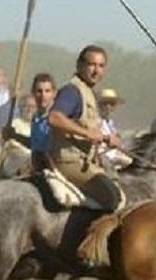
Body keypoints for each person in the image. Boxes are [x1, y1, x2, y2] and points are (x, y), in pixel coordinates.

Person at [45, 45, 123, 210]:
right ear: (80, 65)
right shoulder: (72, 90)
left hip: (84, 161)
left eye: (101, 66)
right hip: (69, 161)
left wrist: (107, 138)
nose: (96, 71)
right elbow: (54, 117)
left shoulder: (88, 91)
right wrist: (88, 133)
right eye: (92, 65)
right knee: (111, 198)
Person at [2, 73, 56, 171]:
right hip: (37, 168)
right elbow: (34, 144)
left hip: (53, 169)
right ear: (33, 93)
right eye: (39, 91)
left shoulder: (56, 118)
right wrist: (14, 135)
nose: (43, 95)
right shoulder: (36, 118)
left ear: (53, 93)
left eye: (47, 91)